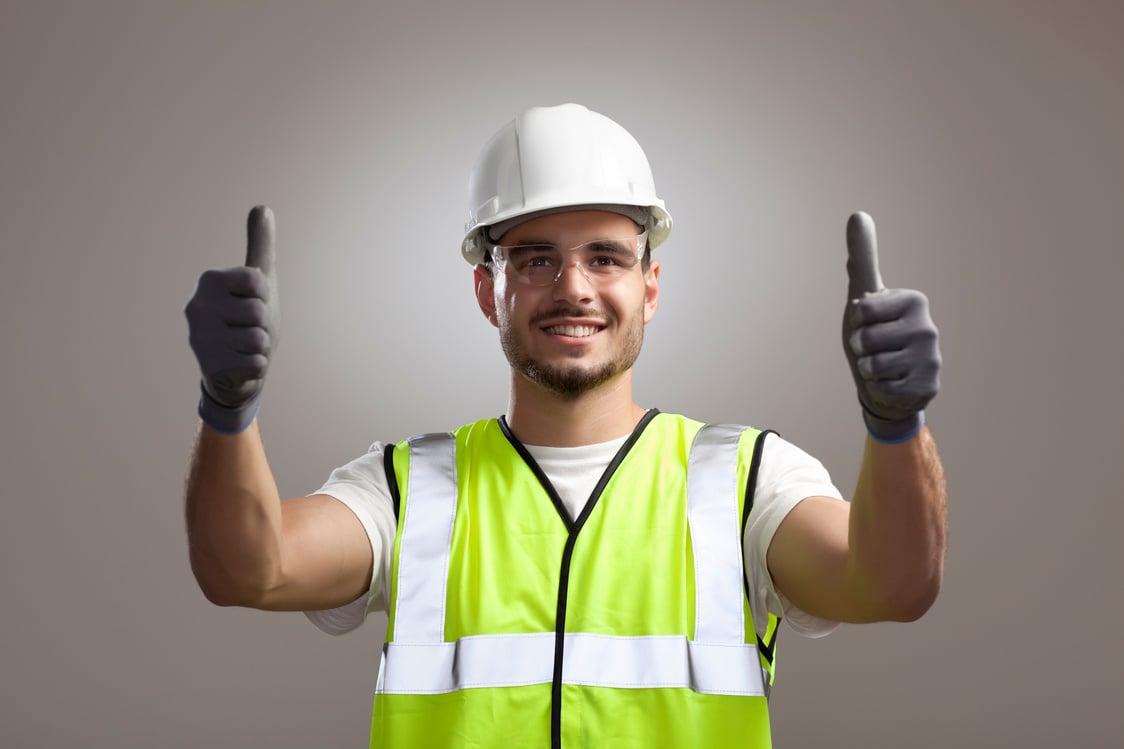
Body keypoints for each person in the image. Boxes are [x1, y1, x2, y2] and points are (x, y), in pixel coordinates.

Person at [184, 103, 946, 748]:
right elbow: (249, 569)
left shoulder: (742, 480)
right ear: (489, 291)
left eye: (606, 258)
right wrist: (228, 411)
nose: (574, 288)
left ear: (650, 286)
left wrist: (896, 426)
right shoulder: (408, 488)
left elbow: (892, 583)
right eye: (536, 259)